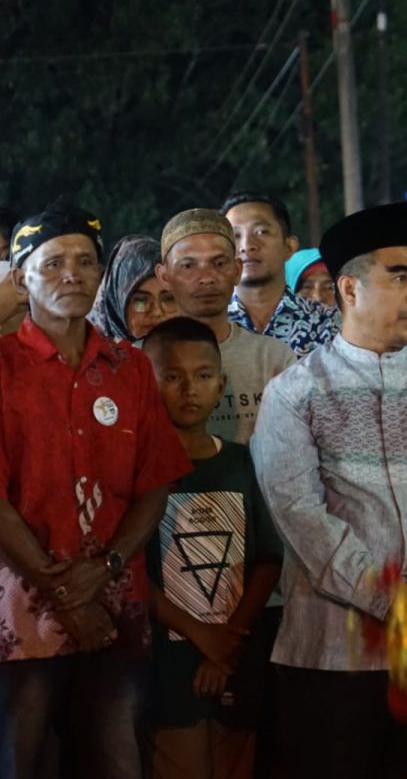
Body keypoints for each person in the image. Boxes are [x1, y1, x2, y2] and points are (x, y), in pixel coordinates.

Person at [250, 202, 407, 777]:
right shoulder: (294, 394)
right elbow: (302, 517)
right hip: (332, 655)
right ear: (349, 288)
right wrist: (392, 598)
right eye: (398, 276)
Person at [0, 199, 191, 778]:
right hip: (20, 615)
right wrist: (63, 592)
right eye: (53, 263)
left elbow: (154, 484)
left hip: (116, 606)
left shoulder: (129, 367)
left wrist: (103, 568)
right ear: (19, 277)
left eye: (85, 262)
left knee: (116, 762)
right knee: (21, 761)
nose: (72, 275)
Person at [142, 317, 282, 779]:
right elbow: (132, 576)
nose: (189, 389)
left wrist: (226, 645)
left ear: (221, 384)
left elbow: (266, 561)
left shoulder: (241, 463)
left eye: (203, 376)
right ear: (146, 382)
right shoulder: (137, 474)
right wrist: (203, 637)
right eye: (172, 376)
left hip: (237, 653)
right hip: (168, 661)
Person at [155, 209, 295, 445]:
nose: (207, 277)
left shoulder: (274, 359)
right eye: (188, 266)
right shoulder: (141, 360)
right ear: (164, 275)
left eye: (219, 263)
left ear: (237, 270)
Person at [222, 192, 339, 357]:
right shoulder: (208, 325)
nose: (247, 246)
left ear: (289, 247)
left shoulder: (328, 323)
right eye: (235, 236)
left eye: (261, 232)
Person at [90, 234, 178, 342]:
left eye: (168, 299)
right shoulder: (83, 352)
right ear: (116, 304)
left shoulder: (195, 350)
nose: (157, 312)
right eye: (141, 301)